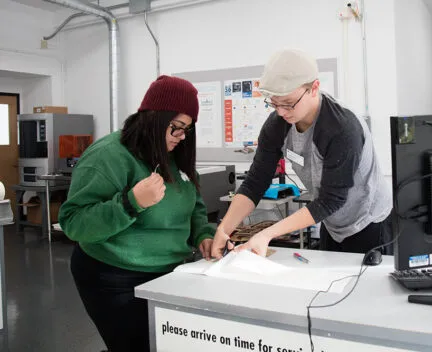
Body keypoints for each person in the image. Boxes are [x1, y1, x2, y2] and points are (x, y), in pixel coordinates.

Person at [59, 75, 215, 352]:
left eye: (187, 130)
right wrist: (131, 204)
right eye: (176, 128)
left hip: (169, 273)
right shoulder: (108, 155)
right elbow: (74, 223)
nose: (181, 137)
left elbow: (194, 206)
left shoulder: (172, 153)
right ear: (153, 118)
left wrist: (203, 233)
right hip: (114, 276)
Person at [211, 49, 392, 258]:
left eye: (288, 103)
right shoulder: (278, 124)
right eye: (274, 103)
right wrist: (224, 230)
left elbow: (331, 200)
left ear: (314, 88)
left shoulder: (341, 128)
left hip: (369, 222)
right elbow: (255, 182)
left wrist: (267, 234)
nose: (281, 112)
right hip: (332, 222)